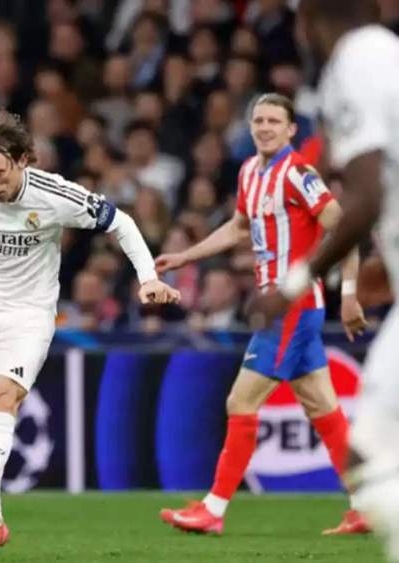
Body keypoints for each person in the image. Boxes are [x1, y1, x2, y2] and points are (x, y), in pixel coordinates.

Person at [0, 109, 180, 561]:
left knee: (3, 399)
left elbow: (120, 222)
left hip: (29, 313)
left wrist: (146, 277)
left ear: (24, 160)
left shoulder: (54, 194)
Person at [156, 93, 370, 536]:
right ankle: (365, 505)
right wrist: (185, 257)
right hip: (286, 308)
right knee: (323, 408)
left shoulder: (299, 174)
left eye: (275, 120)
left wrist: (349, 294)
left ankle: (213, 509)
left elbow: (344, 228)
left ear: (292, 130)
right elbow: (237, 227)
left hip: (290, 307)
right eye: (259, 120)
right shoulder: (250, 172)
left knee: (241, 401)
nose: (265, 127)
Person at [252, 1, 399, 559]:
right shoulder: (386, 56)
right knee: (367, 459)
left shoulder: (355, 62)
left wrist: (292, 284)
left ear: (308, 20)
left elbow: (363, 196)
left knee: (373, 466)